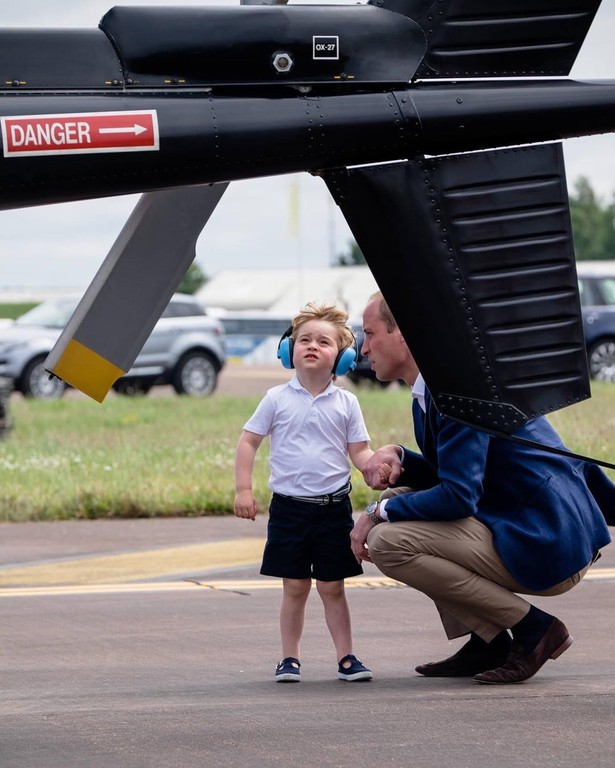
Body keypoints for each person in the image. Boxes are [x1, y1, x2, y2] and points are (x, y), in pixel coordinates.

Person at [352, 291, 613, 685]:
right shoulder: (437, 389)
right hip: (521, 522)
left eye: (370, 334)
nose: (364, 347)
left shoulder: (457, 393)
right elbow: (461, 475)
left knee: (390, 541)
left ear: (403, 333)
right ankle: (486, 640)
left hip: (546, 541)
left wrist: (373, 515)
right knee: (395, 503)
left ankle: (534, 629)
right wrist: (402, 460)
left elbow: (459, 497)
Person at [234, 301, 383, 684]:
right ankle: (289, 658)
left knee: (333, 587)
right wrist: (243, 489)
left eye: (323, 342)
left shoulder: (347, 402)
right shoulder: (276, 399)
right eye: (303, 340)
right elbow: (249, 442)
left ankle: (347, 657)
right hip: (289, 509)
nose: (312, 346)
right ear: (288, 350)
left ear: (344, 357)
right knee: (295, 587)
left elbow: (358, 450)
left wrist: (372, 466)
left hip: (333, 509)